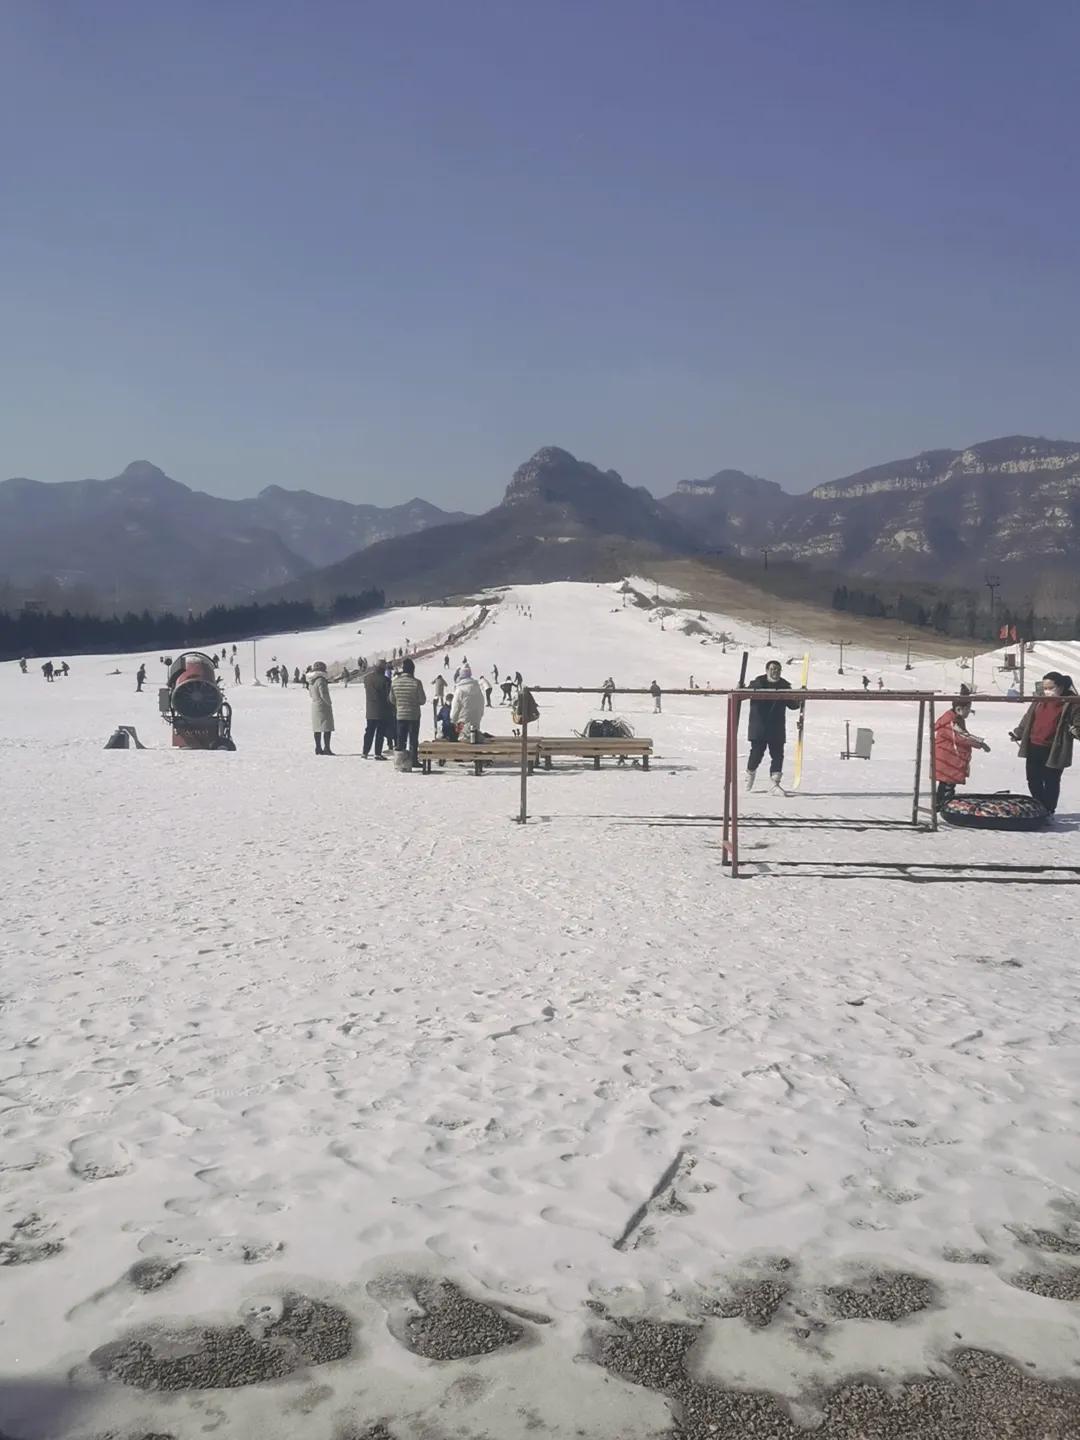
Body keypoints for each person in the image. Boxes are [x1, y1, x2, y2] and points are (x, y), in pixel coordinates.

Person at [1009, 672, 1080, 815]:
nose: (1047, 691)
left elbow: (1078, 723)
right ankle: (1040, 806)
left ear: (1061, 687)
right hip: (1034, 745)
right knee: (1033, 779)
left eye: (1050, 688)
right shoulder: (1039, 699)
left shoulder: (1072, 703)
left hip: (1055, 749)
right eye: (1045, 688)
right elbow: (1028, 718)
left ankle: (1049, 809)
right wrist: (1019, 732)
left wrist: (1076, 730)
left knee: (1051, 781)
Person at [745, 660, 801, 792]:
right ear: (766, 670)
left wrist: (799, 697)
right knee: (756, 754)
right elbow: (744, 694)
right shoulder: (758, 684)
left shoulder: (784, 686)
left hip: (776, 727)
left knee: (777, 755)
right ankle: (750, 773)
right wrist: (740, 688)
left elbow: (792, 705)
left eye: (778, 669)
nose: (775, 672)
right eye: (772, 669)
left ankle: (775, 783)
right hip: (759, 727)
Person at [934, 695, 989, 807]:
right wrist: (979, 744)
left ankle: (941, 804)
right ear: (959, 709)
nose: (969, 712)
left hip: (951, 757)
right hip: (948, 758)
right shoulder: (951, 722)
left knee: (946, 782)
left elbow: (963, 735)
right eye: (968, 709)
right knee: (948, 783)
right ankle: (943, 805)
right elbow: (962, 736)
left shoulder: (955, 719)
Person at [391, 658, 426, 769]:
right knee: (413, 739)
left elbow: (391, 699)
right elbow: (422, 700)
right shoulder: (416, 683)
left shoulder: (395, 682)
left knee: (400, 739)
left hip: (400, 715)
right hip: (413, 715)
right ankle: (413, 760)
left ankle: (400, 761)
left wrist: (400, 704)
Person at [362, 662, 393, 760]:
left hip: (370, 710)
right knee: (380, 732)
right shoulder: (386, 680)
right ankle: (377, 753)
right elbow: (389, 696)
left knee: (369, 732)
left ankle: (365, 752)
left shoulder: (367, 678)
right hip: (382, 710)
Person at [305, 661, 335, 755]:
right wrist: (329, 702)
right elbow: (324, 694)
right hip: (323, 706)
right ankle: (327, 748)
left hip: (315, 705)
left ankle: (318, 748)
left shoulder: (311, 681)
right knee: (327, 728)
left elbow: (311, 694)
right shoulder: (321, 680)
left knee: (317, 728)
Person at [451, 664, 486, 742]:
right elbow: (481, 706)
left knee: (463, 740)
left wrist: (453, 721)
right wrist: (479, 717)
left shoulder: (460, 690)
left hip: (462, 724)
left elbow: (455, 709)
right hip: (475, 724)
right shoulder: (478, 689)